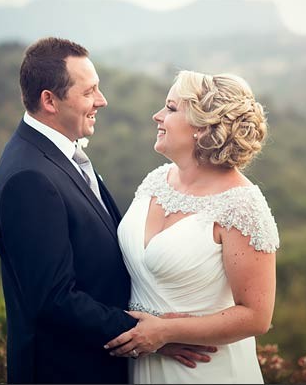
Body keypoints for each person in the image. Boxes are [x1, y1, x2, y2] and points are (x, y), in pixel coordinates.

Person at [0, 38, 214, 384]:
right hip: (66, 371)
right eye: (89, 91)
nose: (102, 101)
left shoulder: (55, 156)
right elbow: (54, 300)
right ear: (49, 100)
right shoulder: (30, 178)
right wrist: (149, 334)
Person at [106, 70, 280, 383]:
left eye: (171, 109)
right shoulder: (156, 180)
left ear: (202, 126)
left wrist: (166, 332)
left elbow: (257, 316)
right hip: (141, 363)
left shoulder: (242, 206)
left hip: (202, 370)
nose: (157, 116)